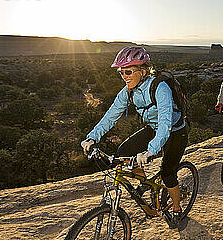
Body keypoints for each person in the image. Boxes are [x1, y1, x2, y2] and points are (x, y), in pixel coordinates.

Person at [80, 46, 188, 227]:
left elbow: (165, 124)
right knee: (124, 151)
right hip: (153, 128)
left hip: (175, 131)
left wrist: (150, 151)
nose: (124, 76)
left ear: (143, 71)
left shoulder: (159, 88)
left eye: (128, 71)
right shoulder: (128, 91)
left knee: (168, 173)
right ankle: (145, 182)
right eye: (121, 73)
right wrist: (92, 138)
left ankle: (177, 209)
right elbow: (111, 115)